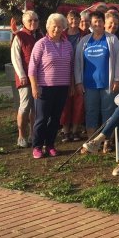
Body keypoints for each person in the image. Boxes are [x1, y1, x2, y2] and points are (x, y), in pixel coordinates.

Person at [74, 11, 119, 153]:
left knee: (108, 112)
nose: (97, 24)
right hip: (89, 85)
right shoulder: (84, 41)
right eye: (94, 22)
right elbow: (78, 63)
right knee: (91, 112)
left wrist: (118, 79)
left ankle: (106, 142)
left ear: (104, 23)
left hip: (108, 84)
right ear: (90, 24)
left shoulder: (112, 39)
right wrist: (78, 82)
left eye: (100, 21)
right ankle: (91, 142)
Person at [27, 13, 74, 159]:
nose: (57, 29)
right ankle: (37, 146)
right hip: (44, 87)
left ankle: (50, 145)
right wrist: (34, 87)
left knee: (55, 119)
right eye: (54, 26)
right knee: (41, 119)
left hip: (62, 87)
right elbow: (32, 68)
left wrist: (71, 85)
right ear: (48, 27)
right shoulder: (41, 44)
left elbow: (71, 67)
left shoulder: (68, 44)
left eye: (60, 26)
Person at [10, 10, 41, 148]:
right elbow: (15, 58)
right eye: (30, 20)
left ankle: (33, 134)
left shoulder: (40, 35)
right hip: (25, 78)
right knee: (24, 106)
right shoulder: (19, 36)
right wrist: (21, 75)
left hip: (39, 77)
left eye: (35, 20)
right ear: (24, 22)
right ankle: (21, 135)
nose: (33, 22)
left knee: (35, 107)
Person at [60, 9, 87, 143]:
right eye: (71, 19)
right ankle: (65, 130)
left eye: (76, 19)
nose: (74, 21)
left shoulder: (84, 35)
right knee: (65, 102)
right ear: (67, 20)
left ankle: (75, 129)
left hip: (80, 71)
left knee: (79, 101)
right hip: (64, 71)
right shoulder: (61, 35)